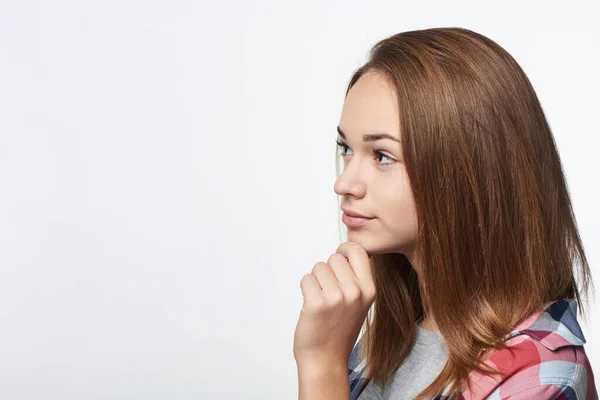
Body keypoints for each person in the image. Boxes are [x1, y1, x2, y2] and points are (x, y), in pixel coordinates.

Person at [323, 27, 596, 399]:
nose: (345, 183)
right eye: (346, 149)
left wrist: (321, 364)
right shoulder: (387, 341)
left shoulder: (541, 377)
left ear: (464, 173)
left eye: (382, 156)